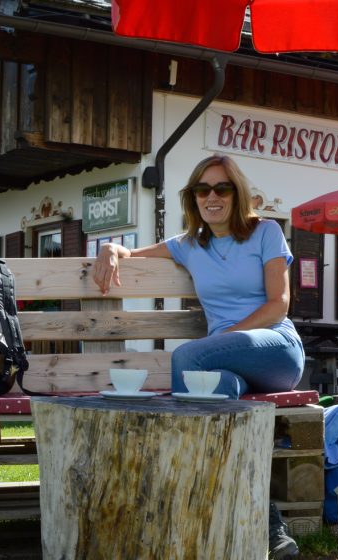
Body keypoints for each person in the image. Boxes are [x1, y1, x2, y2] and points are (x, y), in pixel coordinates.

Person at [92, 154, 303, 559]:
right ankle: (271, 528)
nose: (212, 196)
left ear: (236, 193)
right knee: (216, 409)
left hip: (275, 350)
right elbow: (131, 253)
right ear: (193, 198)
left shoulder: (266, 232)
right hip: (225, 368)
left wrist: (222, 338)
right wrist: (110, 250)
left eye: (221, 188)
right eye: (202, 189)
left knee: (187, 359)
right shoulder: (191, 245)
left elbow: (279, 304)